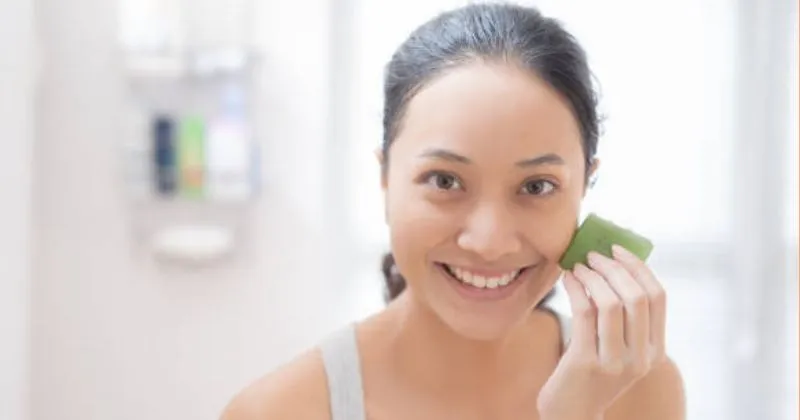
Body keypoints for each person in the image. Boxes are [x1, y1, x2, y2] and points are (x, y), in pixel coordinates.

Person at [222, 3, 685, 419]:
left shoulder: (637, 388)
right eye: (445, 181)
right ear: (385, 178)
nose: (489, 241)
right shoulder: (278, 411)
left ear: (585, 186)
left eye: (536, 186)